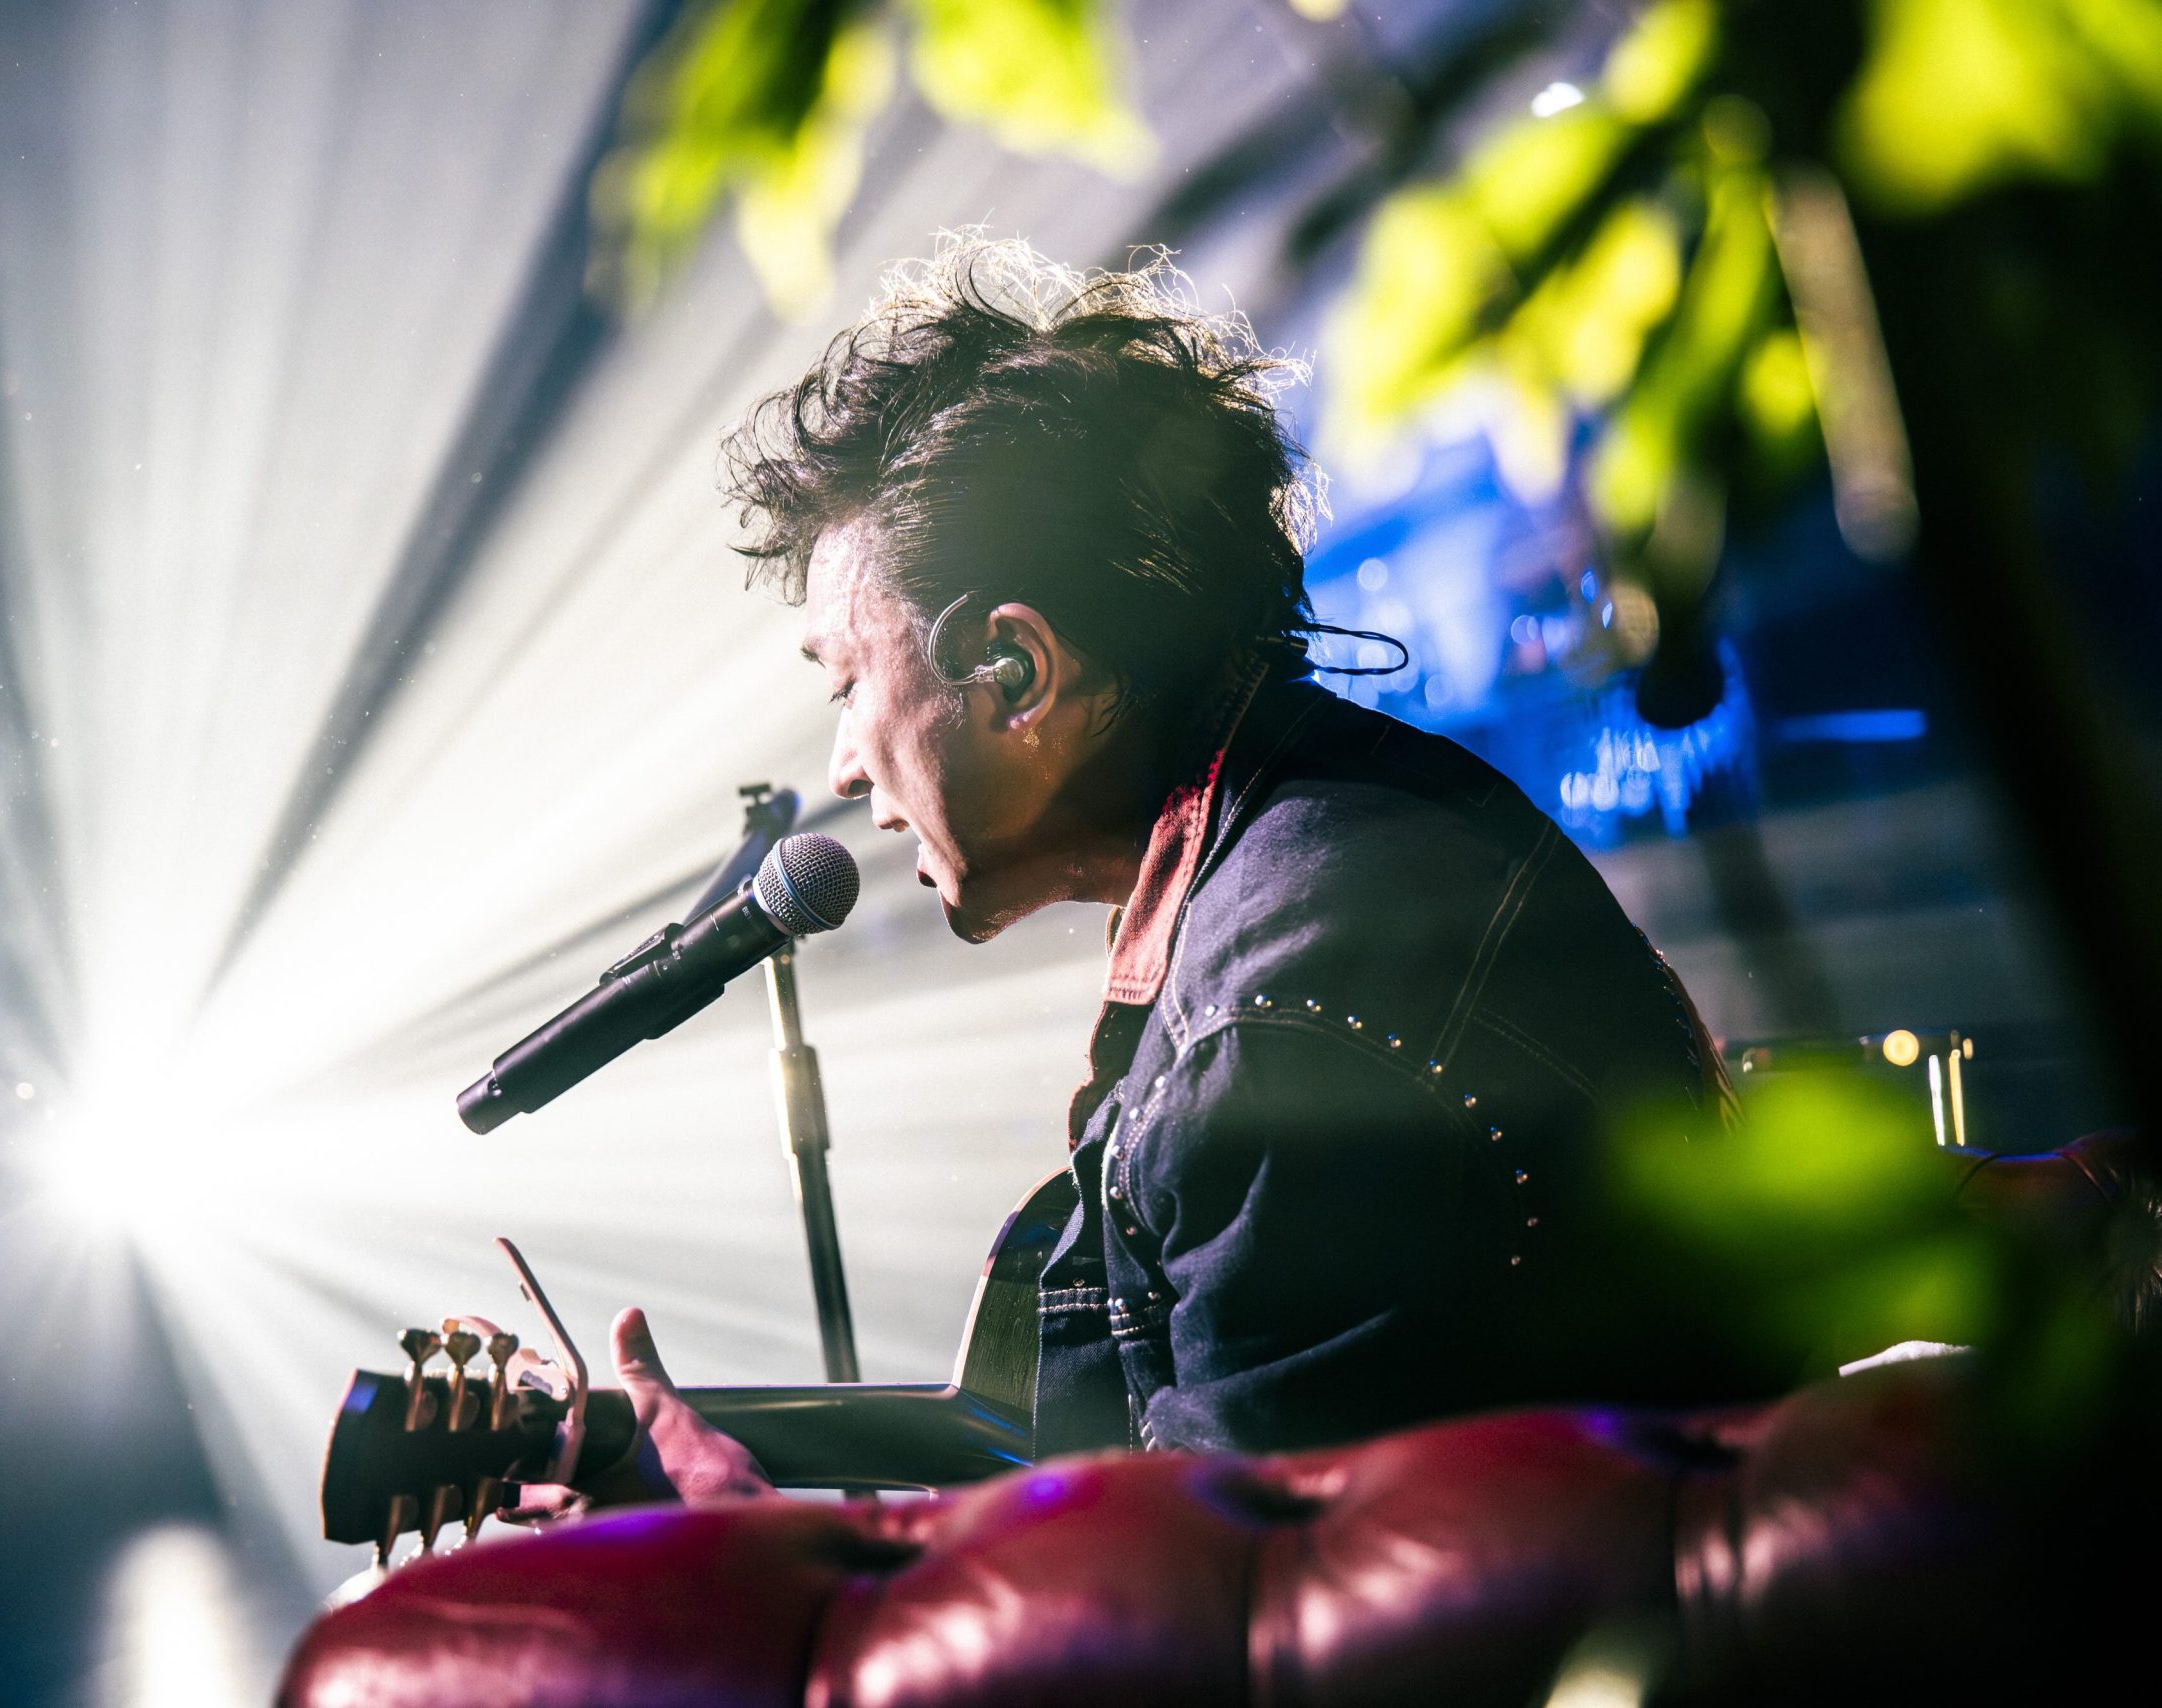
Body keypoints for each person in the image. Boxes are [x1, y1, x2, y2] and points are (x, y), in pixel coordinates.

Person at [573, 235, 1756, 1505]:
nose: (845, 767)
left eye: (848, 683)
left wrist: (741, 1543)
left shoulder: (1276, 1018)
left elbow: (1229, 1598)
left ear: (1017, 672)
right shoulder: (1343, 838)